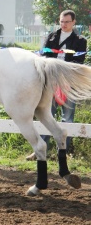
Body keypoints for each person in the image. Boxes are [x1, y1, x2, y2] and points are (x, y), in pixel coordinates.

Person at [26, 9, 87, 160]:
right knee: (47, 115)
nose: (64, 24)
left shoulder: (80, 40)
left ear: (73, 22)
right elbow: (44, 57)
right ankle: (39, 150)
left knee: (68, 118)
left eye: (67, 22)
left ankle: (65, 151)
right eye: (61, 21)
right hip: (50, 83)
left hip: (69, 83)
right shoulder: (51, 37)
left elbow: (78, 62)